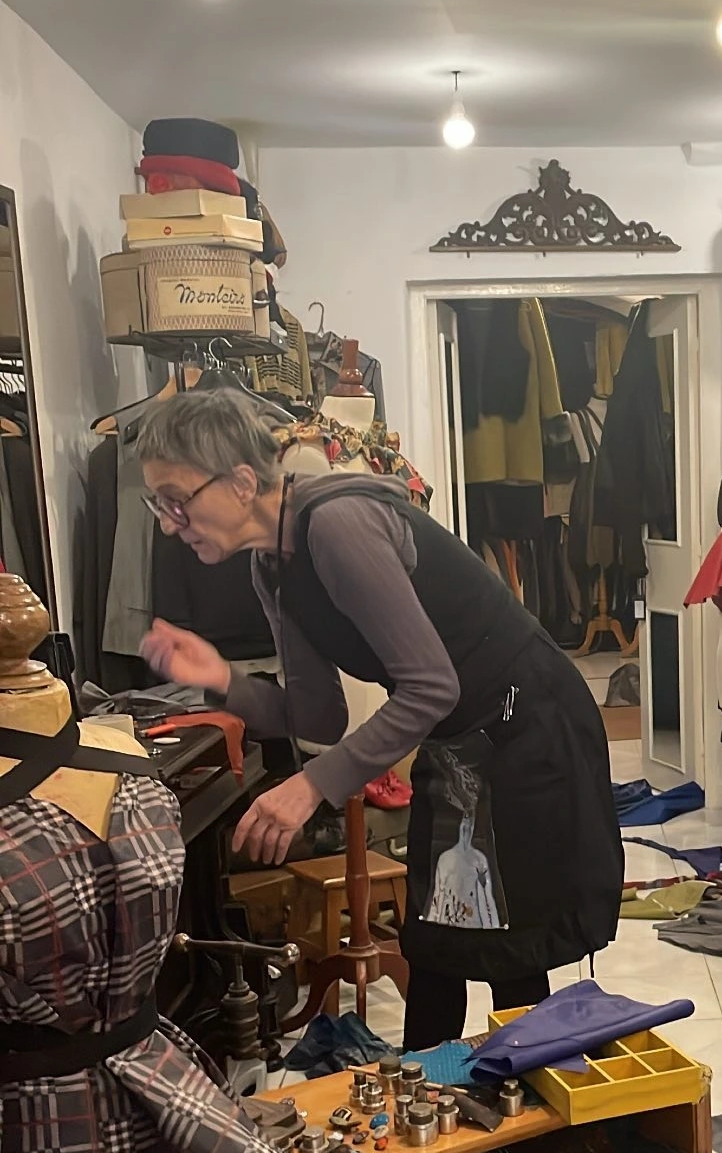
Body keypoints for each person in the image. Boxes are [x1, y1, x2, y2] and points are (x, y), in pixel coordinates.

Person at [136, 387, 623, 1050]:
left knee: (508, 949)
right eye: (158, 504)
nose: (170, 524)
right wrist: (224, 679)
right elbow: (319, 715)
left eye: (176, 500)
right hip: (461, 738)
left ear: (242, 483)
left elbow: (429, 686)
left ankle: (522, 1102)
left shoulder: (338, 525)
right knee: (437, 941)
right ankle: (423, 1099)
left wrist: (310, 787)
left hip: (528, 721)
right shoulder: (270, 567)